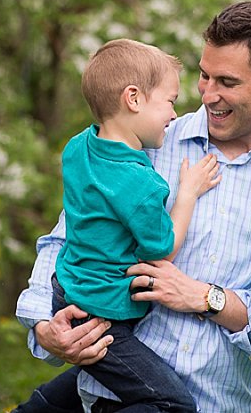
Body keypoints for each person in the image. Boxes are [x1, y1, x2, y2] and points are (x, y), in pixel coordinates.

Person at [15, 1, 251, 413]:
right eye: (204, 76)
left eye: (227, 81)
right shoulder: (145, 141)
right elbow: (67, 239)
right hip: (111, 396)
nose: (208, 94)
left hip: (216, 402)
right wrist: (43, 325)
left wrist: (208, 298)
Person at [51, 39, 222, 412]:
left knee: (96, 377)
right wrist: (188, 193)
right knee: (172, 403)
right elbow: (162, 247)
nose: (174, 115)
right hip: (103, 313)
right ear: (134, 99)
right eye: (170, 101)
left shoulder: (77, 147)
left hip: (66, 291)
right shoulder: (142, 185)